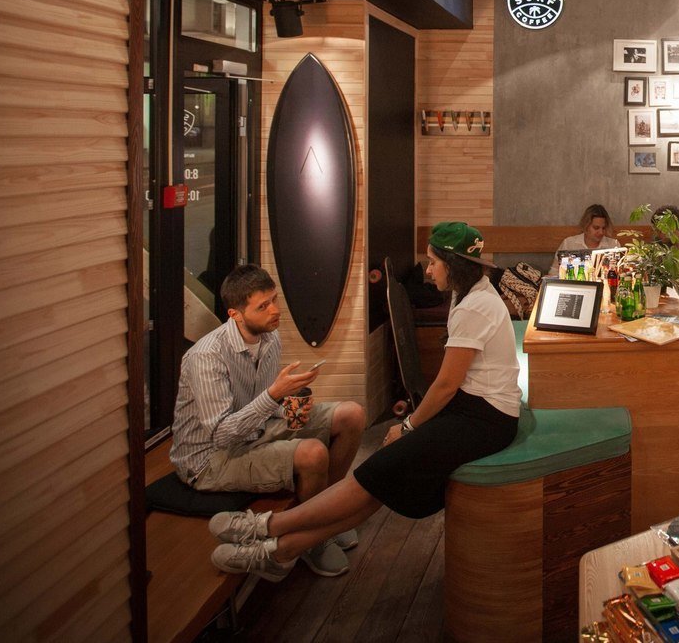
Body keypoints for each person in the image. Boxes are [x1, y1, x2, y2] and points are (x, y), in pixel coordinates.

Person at [206, 222, 521, 582]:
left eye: (434, 262)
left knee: (376, 473)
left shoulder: (474, 306)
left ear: (453, 265)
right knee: (380, 480)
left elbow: (447, 384)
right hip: (476, 409)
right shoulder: (470, 293)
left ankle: (265, 526)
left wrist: (408, 426)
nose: (428, 271)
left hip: (485, 418)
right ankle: (281, 552)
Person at [170, 264, 366, 576]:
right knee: (313, 453)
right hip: (209, 459)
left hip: (253, 431)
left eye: (274, 300)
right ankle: (312, 540)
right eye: (263, 306)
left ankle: (326, 516)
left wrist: (288, 407)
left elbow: (264, 404)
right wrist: (275, 395)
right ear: (235, 314)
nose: (275, 310)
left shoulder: (269, 338)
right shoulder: (207, 357)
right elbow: (222, 435)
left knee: (351, 415)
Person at [551, 203, 617, 272]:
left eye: (603, 228)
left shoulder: (613, 245)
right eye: (596, 228)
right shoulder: (569, 243)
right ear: (586, 225)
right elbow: (554, 271)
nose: (601, 232)